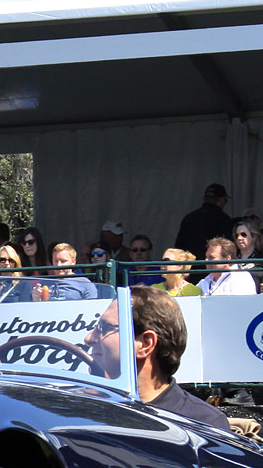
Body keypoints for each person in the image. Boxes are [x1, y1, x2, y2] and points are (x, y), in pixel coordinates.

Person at [85, 287, 231, 433]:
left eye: (104, 328)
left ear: (146, 344)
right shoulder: (86, 410)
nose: (89, 338)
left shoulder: (204, 422)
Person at [174, 183, 237, 258]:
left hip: (190, 265)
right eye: (225, 200)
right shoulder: (223, 219)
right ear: (221, 200)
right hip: (213, 266)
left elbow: (178, 247)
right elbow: (228, 246)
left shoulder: (189, 218)